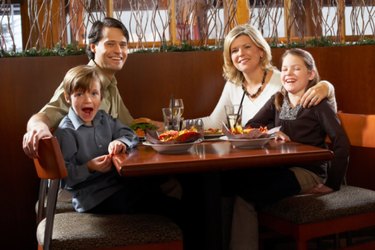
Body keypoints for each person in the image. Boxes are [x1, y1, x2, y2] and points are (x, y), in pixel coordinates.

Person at [225, 48, 350, 250]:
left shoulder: (318, 104)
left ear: (310, 74)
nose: (288, 74)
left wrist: (333, 184)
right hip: (282, 168)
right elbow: (250, 125)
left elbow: (341, 143)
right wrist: (270, 133)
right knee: (233, 184)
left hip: (310, 172)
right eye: (284, 69)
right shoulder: (279, 99)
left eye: (296, 68)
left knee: (246, 194)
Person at [23, 17, 147, 158]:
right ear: (93, 47)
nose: (119, 50)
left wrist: (165, 128)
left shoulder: (110, 82)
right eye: (110, 44)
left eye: (123, 45)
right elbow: (43, 116)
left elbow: (130, 124)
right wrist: (37, 128)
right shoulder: (81, 81)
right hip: (87, 176)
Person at [200, 24, 337, 130]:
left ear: (261, 51)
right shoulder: (233, 84)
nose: (240, 53)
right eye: (234, 50)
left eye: (247, 47)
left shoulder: (283, 81)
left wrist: (328, 88)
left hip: (278, 157)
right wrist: (180, 125)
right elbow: (215, 123)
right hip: (246, 154)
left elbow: (319, 117)